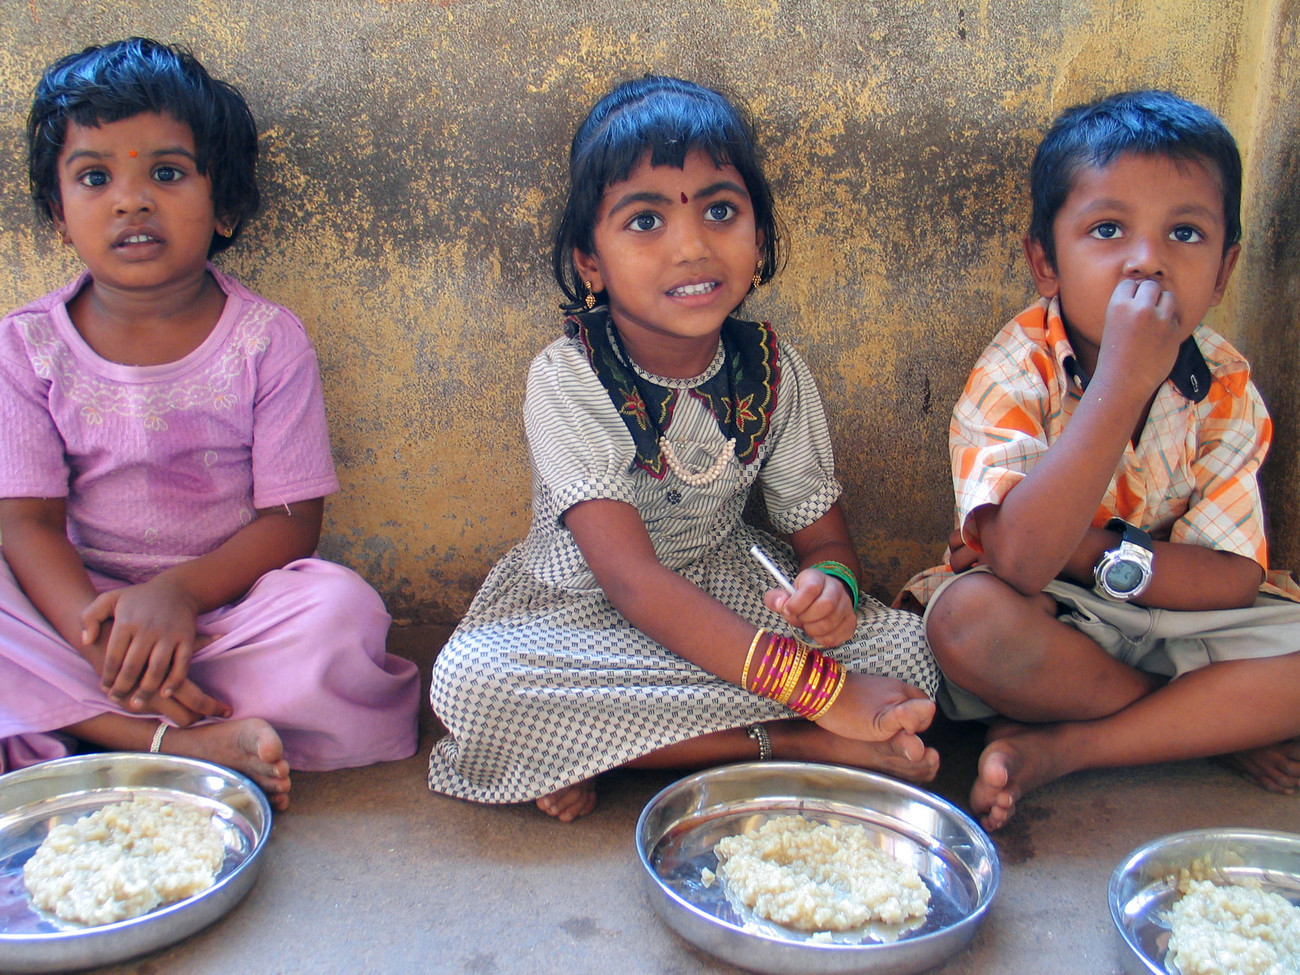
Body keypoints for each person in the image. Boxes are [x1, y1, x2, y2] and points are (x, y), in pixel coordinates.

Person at [428, 75, 940, 822]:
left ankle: (597, 746)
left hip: (730, 590)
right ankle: (803, 742)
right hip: (587, 612)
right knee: (476, 684)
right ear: (590, 261)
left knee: (907, 657)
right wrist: (823, 695)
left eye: (721, 211)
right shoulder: (567, 377)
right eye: (644, 221)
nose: (692, 246)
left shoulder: (774, 368)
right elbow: (634, 583)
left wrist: (830, 587)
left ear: (758, 236)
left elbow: (823, 537)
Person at [0, 38, 420, 809]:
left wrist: (180, 598)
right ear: (59, 214)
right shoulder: (25, 346)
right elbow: (25, 523)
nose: (131, 201)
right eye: (95, 177)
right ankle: (174, 737)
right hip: (81, 608)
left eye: (166, 172)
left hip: (226, 612)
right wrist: (108, 642)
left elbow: (291, 523)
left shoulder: (266, 338)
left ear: (224, 204)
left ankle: (91, 723)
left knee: (341, 612)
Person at [900, 90, 1300, 831]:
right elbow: (1018, 563)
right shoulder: (1017, 368)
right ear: (1045, 262)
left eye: (1185, 232)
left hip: (1181, 621)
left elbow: (1234, 577)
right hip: (1052, 624)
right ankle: (1206, 724)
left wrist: (1089, 549)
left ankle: (1070, 748)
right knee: (966, 621)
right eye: (1108, 229)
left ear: (1222, 270)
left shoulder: (1228, 384)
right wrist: (1120, 384)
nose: (1147, 259)